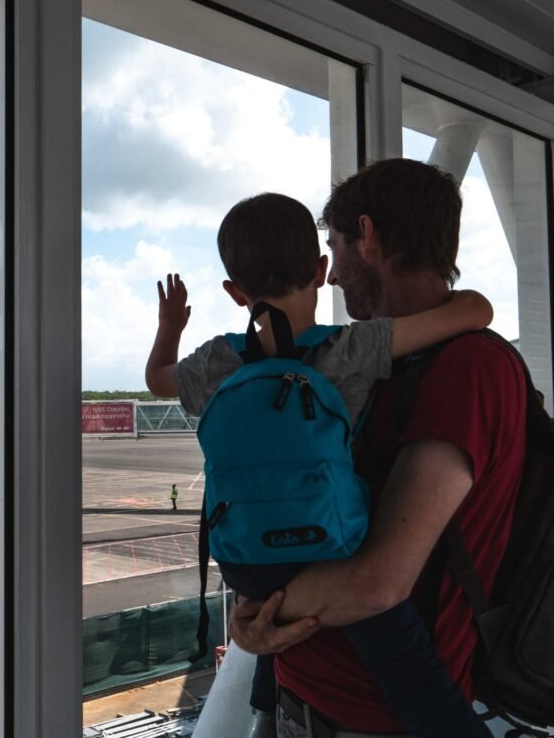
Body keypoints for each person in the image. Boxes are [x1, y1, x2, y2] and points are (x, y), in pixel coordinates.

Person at [146, 191, 494, 737]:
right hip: (331, 541)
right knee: (412, 671)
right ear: (321, 269)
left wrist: (171, 325)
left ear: (235, 293)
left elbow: (158, 377)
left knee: (266, 631)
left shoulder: (216, 360)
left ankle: (264, 711)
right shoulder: (349, 349)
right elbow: (475, 312)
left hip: (244, 563)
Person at [227, 160, 526, 737]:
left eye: (335, 250)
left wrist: (263, 608)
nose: (331, 277)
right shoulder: (383, 366)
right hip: (308, 704)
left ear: (368, 236)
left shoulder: (468, 367)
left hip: (374, 720)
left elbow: (379, 581)